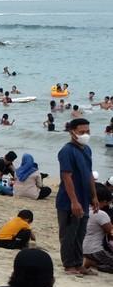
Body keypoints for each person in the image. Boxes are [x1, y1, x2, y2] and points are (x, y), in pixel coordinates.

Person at [56, 118, 98, 275]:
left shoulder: (87, 150)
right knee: (69, 234)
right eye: (82, 132)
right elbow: (67, 177)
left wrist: (94, 196)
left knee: (81, 233)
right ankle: (69, 265)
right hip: (68, 201)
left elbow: (89, 175)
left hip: (85, 198)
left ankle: (78, 263)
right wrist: (74, 201)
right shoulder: (66, 151)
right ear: (72, 132)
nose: (85, 134)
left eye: (87, 131)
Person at [82, 184, 113, 273]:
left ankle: (89, 261)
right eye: (107, 202)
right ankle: (91, 263)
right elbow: (110, 231)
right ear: (102, 201)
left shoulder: (84, 209)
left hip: (81, 248)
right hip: (95, 251)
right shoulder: (100, 214)